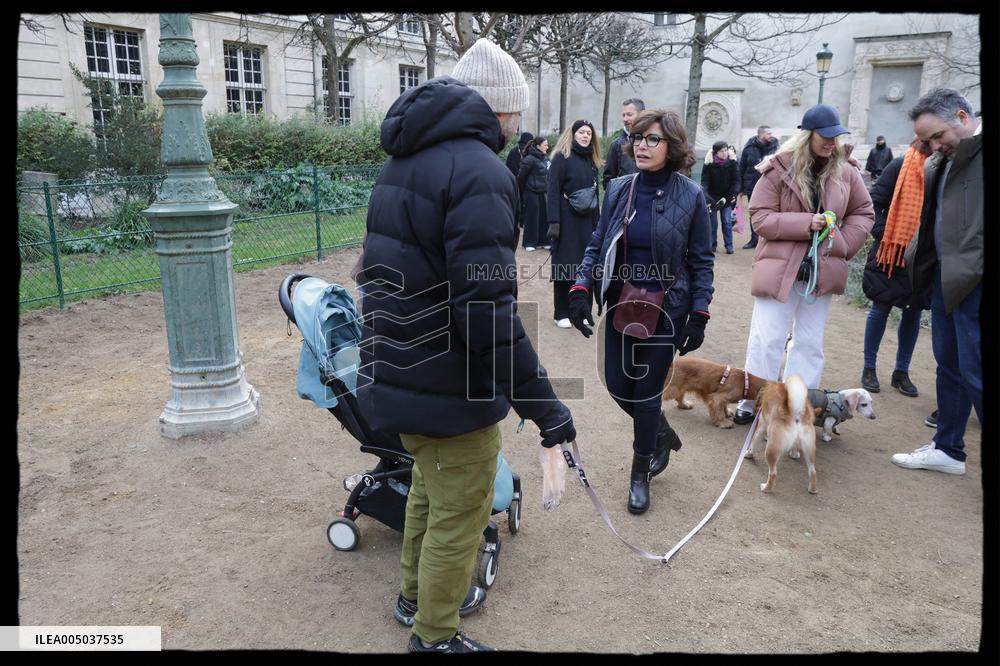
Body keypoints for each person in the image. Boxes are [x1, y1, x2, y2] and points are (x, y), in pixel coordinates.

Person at [357, 38, 576, 653]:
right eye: (519, 113)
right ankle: (433, 636)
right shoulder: (481, 171)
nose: (519, 125)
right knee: (460, 511)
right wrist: (547, 409)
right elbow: (488, 314)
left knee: (428, 490)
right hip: (448, 385)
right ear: (503, 110)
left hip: (400, 373)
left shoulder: (405, 159)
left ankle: (410, 599)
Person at [566, 108, 714, 514]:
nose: (641, 146)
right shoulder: (618, 189)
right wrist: (581, 287)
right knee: (617, 385)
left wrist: (699, 312)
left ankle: (640, 471)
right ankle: (661, 435)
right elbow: (597, 245)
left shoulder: (692, 196)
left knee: (646, 395)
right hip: (622, 302)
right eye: (637, 138)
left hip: (667, 307)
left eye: (653, 139)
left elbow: (702, 260)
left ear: (673, 146)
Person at [733, 104, 874, 424]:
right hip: (779, 269)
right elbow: (761, 217)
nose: (831, 143)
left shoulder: (847, 171)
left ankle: (798, 405)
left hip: (821, 272)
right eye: (825, 136)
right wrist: (805, 223)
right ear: (807, 135)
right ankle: (754, 402)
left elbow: (864, 212)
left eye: (835, 137)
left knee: (809, 342)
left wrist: (842, 243)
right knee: (766, 338)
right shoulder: (778, 169)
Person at [891, 88, 981, 476]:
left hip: (977, 280)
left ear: (962, 118)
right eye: (925, 141)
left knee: (976, 368)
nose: (930, 147)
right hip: (948, 278)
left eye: (935, 137)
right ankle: (948, 449)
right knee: (949, 364)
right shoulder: (941, 162)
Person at [860, 138, 932, 397]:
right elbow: (874, 202)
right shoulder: (900, 165)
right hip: (891, 250)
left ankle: (901, 372)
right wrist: (883, 233)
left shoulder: (942, 167)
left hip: (922, 255)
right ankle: (869, 368)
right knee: (880, 307)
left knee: (913, 312)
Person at [547, 119, 602, 328]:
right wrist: (554, 222)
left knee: (586, 267)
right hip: (566, 220)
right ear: (573, 134)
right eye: (582, 132)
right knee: (565, 266)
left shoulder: (592, 161)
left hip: (587, 223)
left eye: (589, 132)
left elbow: (595, 196)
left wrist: (599, 226)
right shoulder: (562, 158)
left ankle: (582, 312)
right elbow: (552, 192)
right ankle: (561, 312)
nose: (586, 135)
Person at [738, 125, 780, 249]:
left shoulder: (776, 147)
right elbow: (742, 168)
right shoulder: (749, 148)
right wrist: (740, 189)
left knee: (772, 212)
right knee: (755, 213)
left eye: (771, 133)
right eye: (768, 133)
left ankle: (769, 239)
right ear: (761, 135)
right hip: (752, 186)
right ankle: (754, 239)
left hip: (772, 186)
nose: (771, 136)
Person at [700, 140, 740, 254]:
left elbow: (736, 180)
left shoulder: (733, 162)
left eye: (726, 150)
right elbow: (705, 181)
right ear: (715, 152)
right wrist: (705, 194)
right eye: (722, 151)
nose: (724, 153)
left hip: (727, 196)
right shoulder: (709, 164)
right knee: (712, 223)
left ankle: (729, 245)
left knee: (727, 221)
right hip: (712, 197)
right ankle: (712, 245)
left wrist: (733, 194)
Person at [602, 98, 644, 190]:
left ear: (641, 115)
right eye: (623, 115)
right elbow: (608, 179)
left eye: (629, 115)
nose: (625, 119)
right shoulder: (616, 144)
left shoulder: (653, 142)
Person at [517, 135, 550, 251]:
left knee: (544, 216)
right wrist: (525, 189)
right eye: (545, 145)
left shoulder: (546, 158)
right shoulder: (529, 159)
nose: (547, 147)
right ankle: (530, 242)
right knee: (532, 217)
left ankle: (545, 241)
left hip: (543, 191)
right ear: (538, 146)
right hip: (531, 192)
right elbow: (521, 177)